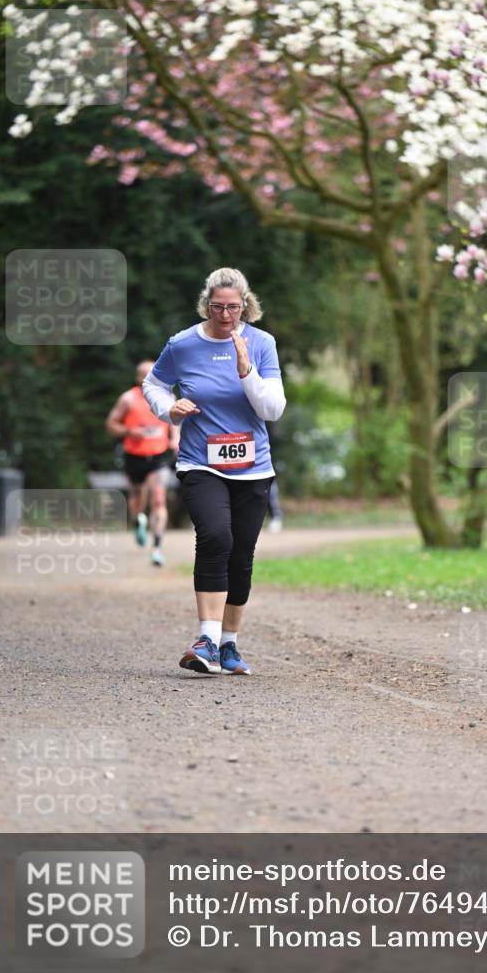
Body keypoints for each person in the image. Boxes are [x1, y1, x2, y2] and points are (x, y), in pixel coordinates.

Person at [143, 267, 286, 676]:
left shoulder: (261, 344)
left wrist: (247, 371)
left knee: (241, 553)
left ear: (246, 305)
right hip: (200, 461)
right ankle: (205, 638)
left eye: (234, 308)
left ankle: (229, 645)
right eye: (218, 307)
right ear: (207, 305)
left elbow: (273, 409)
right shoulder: (183, 344)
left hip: (253, 467)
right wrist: (167, 409)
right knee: (215, 537)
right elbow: (153, 385)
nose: (226, 315)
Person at [106, 360, 179, 567]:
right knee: (137, 499)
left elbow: (175, 421)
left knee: (158, 500)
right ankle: (138, 520)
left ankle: (156, 548)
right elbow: (111, 424)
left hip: (158, 455)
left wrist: (175, 439)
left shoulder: (166, 396)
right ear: (138, 378)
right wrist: (129, 432)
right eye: (145, 375)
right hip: (134, 456)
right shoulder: (128, 399)